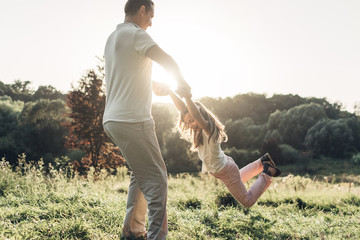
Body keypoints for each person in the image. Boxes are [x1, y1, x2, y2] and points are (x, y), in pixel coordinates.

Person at [102, 0, 190, 239]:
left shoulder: (113, 38)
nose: (151, 22)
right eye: (151, 16)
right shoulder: (136, 35)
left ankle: (132, 231)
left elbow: (122, 75)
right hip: (134, 120)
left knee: (141, 173)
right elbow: (167, 60)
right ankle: (155, 236)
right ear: (142, 10)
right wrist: (182, 84)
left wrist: (151, 85)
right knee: (158, 180)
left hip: (112, 119)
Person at [158, 84, 281, 209]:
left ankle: (267, 171)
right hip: (226, 166)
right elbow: (183, 109)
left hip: (225, 170)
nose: (191, 124)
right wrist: (170, 92)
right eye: (188, 122)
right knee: (238, 179)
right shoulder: (199, 131)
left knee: (247, 201)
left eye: (192, 120)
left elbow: (195, 115)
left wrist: (188, 97)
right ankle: (262, 162)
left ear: (200, 116)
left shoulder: (209, 129)